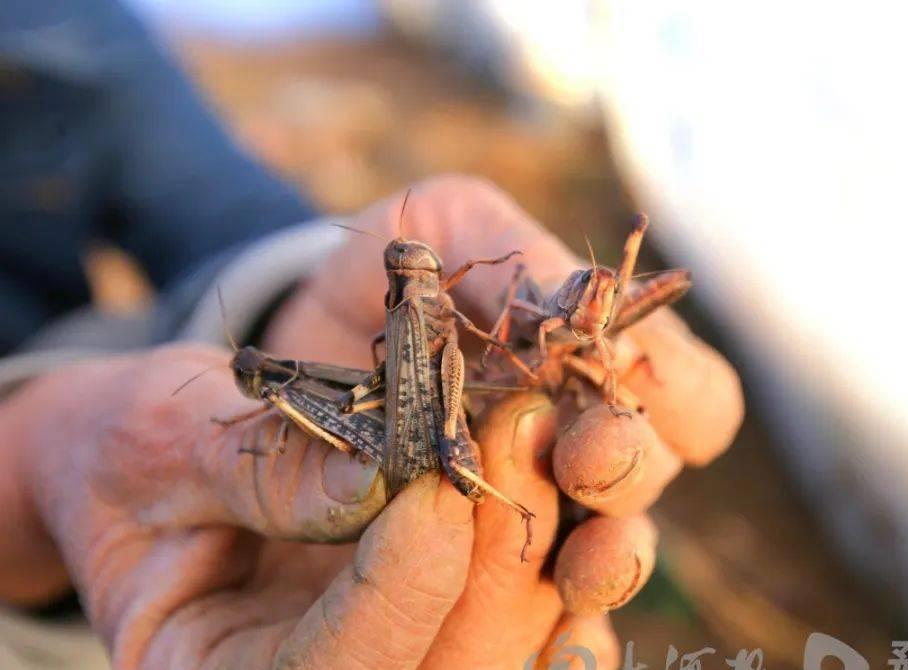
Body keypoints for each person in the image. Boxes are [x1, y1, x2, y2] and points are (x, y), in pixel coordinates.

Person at [0, 1, 744, 668]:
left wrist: (297, 287)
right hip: (396, 421)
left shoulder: (65, 27)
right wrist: (32, 465)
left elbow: (221, 206)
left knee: (503, 428)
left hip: (418, 378)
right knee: (431, 436)